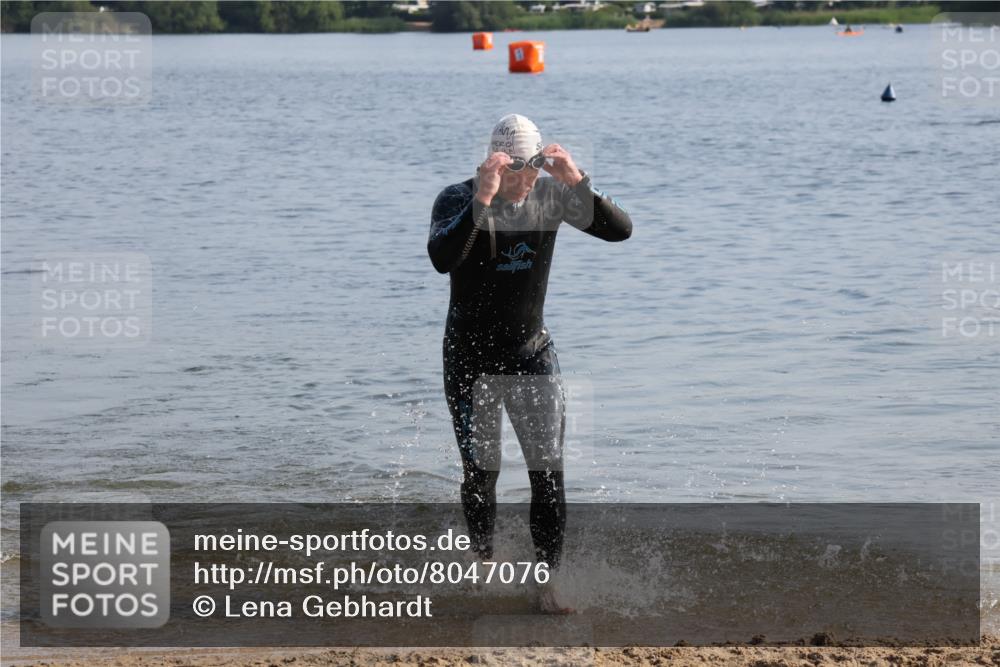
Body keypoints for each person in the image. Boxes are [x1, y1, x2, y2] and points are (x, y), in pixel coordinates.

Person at [427, 114, 632, 613]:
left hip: (530, 353)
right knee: (482, 474)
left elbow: (620, 230)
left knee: (548, 472)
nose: (527, 177)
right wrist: (483, 199)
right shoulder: (457, 199)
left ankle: (546, 584)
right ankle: (483, 565)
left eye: (534, 165)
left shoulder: (551, 196)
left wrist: (577, 181)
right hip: (470, 360)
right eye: (516, 168)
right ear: (494, 163)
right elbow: (442, 258)